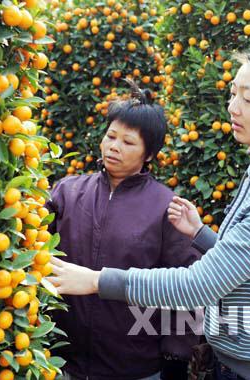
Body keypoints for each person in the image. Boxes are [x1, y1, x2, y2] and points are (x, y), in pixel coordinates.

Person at [46, 43, 250, 380]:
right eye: (234, 93)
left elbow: (199, 285)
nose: (233, 107)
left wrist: (95, 280)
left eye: (248, 100)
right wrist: (203, 236)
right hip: (239, 363)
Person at [46, 80, 201, 380]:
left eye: (128, 142)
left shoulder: (167, 208)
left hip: (136, 367)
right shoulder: (67, 192)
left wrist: (175, 359)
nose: (114, 147)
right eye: (110, 136)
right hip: (64, 364)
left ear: (149, 154)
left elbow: (187, 287)